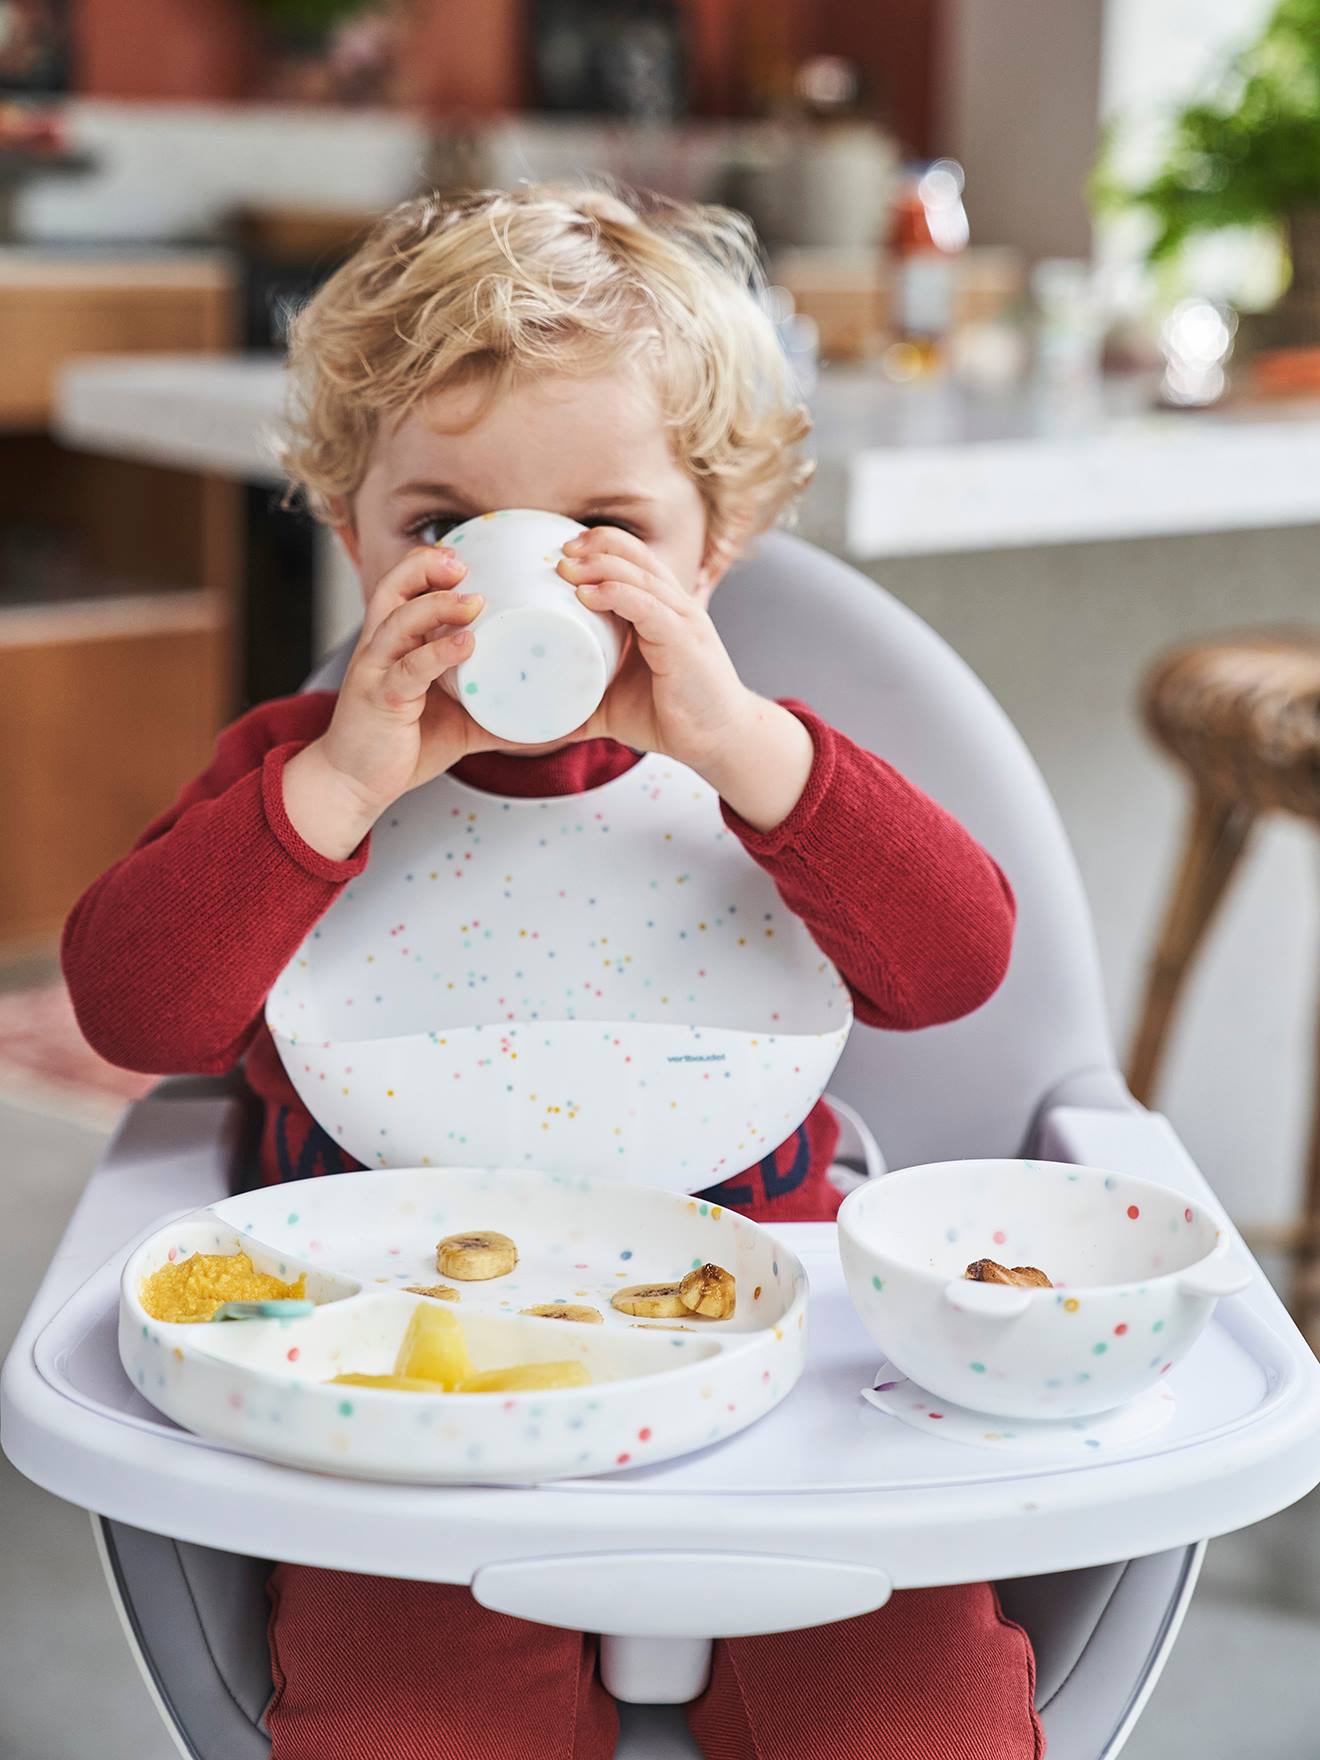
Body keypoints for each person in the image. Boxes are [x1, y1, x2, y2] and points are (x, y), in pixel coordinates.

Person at [62, 183, 1041, 1760]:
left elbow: (958, 965)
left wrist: (745, 749)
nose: (518, 573)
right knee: (404, 1728)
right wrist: (336, 788)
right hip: (393, 1370)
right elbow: (134, 1012)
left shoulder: (768, 776)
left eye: (611, 530)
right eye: (440, 526)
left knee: (914, 1719)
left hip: (763, 1348)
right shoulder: (301, 773)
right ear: (349, 531)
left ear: (712, 547)